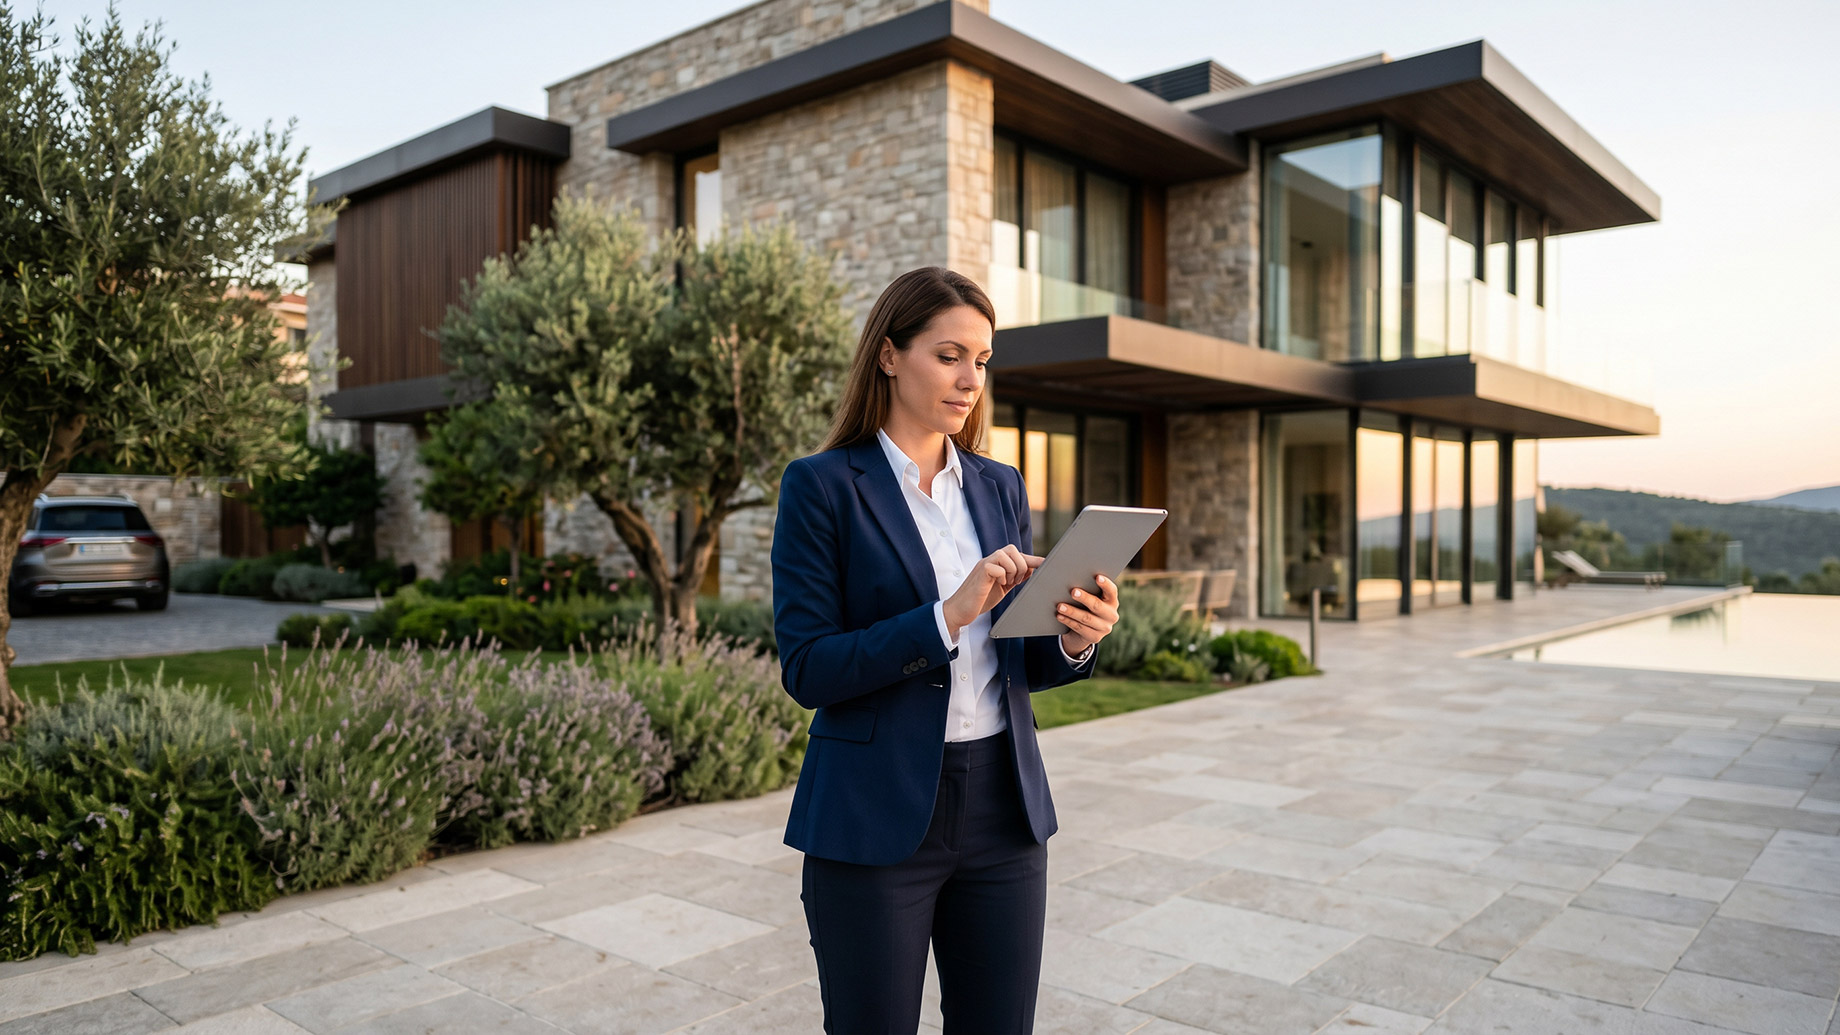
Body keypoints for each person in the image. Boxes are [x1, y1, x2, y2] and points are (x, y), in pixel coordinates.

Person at [771, 266, 1122, 1034]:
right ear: (890, 356)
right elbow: (807, 666)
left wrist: (1068, 638)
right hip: (872, 814)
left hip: (1004, 806)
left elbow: (1018, 656)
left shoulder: (998, 485)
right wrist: (945, 616)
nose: (971, 379)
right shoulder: (821, 486)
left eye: (983, 360)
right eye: (950, 354)